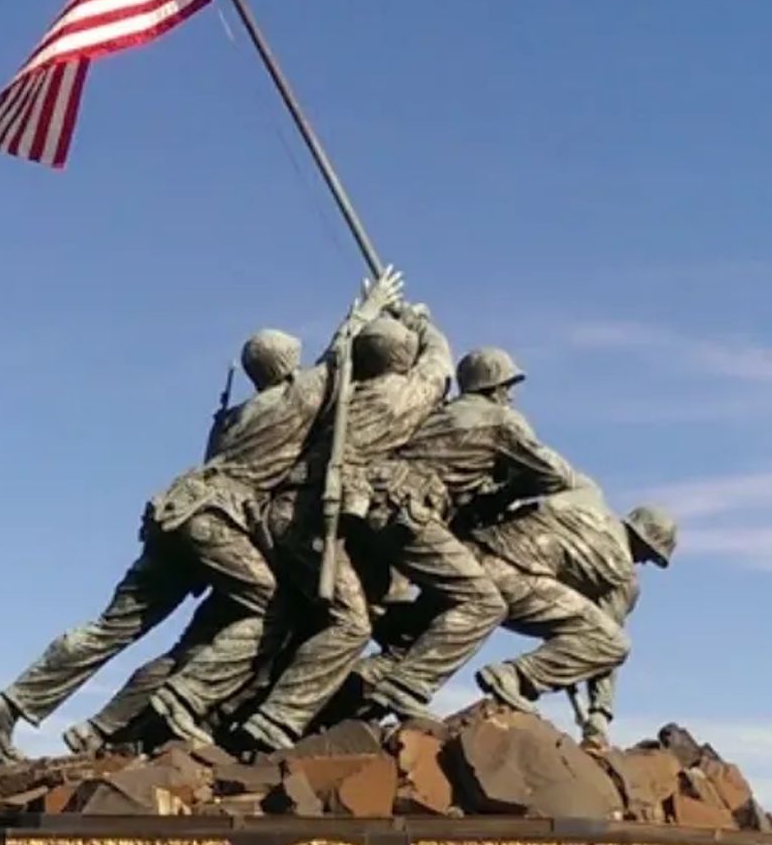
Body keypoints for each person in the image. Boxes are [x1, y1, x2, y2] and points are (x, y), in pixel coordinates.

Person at [0, 269, 403, 761]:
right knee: (269, 608)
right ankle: (183, 700)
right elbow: (340, 354)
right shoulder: (295, 398)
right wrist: (369, 309)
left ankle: (13, 701)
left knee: (114, 626)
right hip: (214, 521)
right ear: (287, 367)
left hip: (174, 512)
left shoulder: (232, 419)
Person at [228, 304, 454, 751]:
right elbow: (440, 365)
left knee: (302, 618)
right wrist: (420, 320)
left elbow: (330, 362)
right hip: (315, 518)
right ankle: (276, 719)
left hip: (279, 514)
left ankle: (237, 711)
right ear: (403, 358)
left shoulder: (333, 398)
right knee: (350, 623)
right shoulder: (402, 396)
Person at [348, 346, 599, 723]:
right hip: (408, 512)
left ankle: (367, 680)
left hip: (375, 507)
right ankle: (407, 686)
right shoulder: (501, 420)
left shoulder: (440, 414)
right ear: (494, 387)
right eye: (508, 387)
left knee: (421, 610)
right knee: (484, 603)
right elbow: (557, 475)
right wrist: (506, 491)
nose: (510, 396)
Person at [470, 496, 677, 748]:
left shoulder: (588, 513)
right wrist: (600, 714)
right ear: (643, 541)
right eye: (650, 555)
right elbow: (604, 645)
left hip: (476, 557)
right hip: (517, 586)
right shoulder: (622, 573)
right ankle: (516, 676)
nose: (644, 562)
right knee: (612, 643)